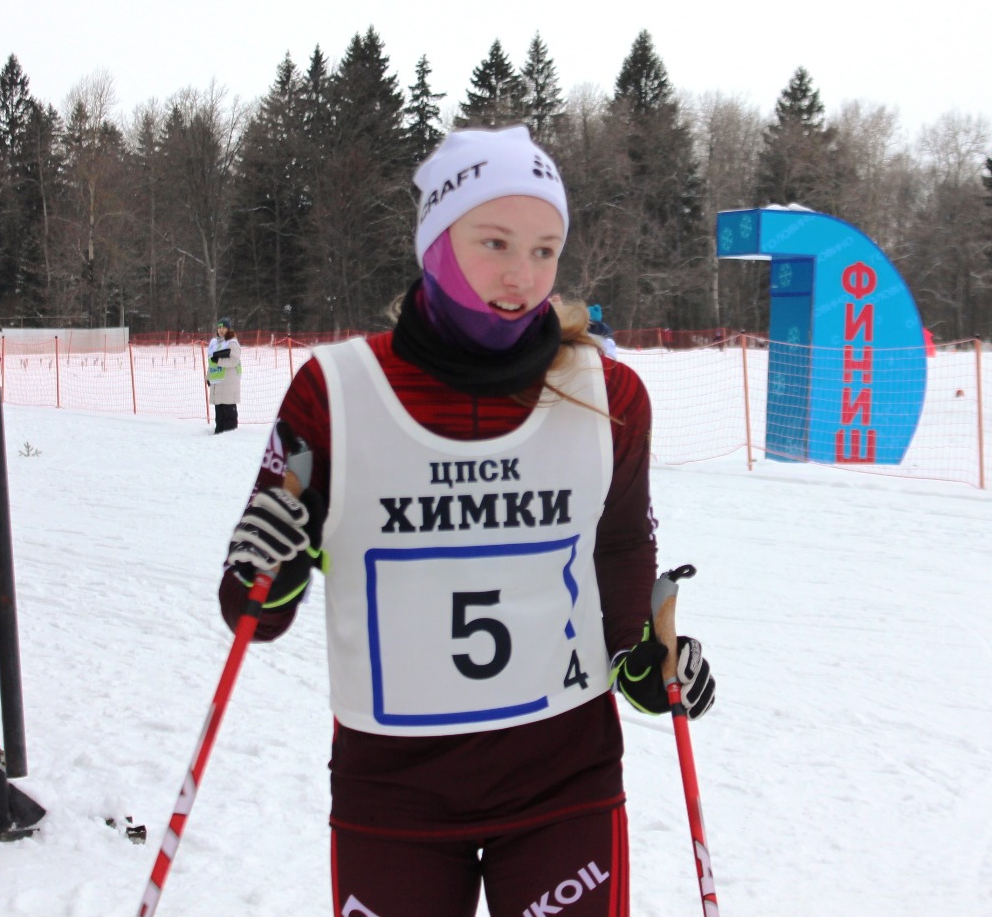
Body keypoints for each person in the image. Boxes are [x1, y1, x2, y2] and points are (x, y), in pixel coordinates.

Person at [218, 125, 715, 917]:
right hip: (396, 796)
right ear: (437, 242)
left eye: (546, 249)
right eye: (496, 242)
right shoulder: (334, 391)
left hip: (564, 779)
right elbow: (252, 610)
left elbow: (619, 548)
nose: (523, 275)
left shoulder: (608, 396)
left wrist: (642, 663)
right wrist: (263, 574)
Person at [206, 318, 242, 433]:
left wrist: (219, 361)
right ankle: (219, 430)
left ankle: (230, 433)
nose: (221, 330)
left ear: (228, 329)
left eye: (224, 327)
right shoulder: (214, 343)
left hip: (229, 381)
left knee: (228, 408)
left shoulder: (232, 343)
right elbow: (211, 362)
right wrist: (208, 377)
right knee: (219, 410)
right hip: (217, 381)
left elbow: (234, 361)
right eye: (219, 327)